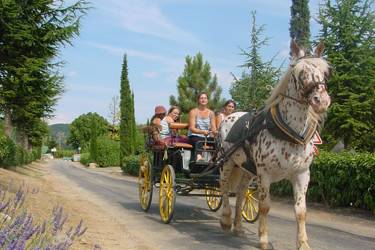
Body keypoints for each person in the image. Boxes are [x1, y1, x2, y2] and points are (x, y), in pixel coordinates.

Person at [188, 92, 217, 161]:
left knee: (217, 143)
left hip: (206, 137)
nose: (203, 100)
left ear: (207, 100)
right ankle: (199, 158)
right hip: (194, 136)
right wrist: (202, 132)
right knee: (199, 141)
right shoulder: (193, 112)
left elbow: (213, 128)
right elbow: (192, 128)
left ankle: (216, 160)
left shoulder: (211, 113)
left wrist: (216, 132)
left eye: (205, 98)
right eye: (201, 98)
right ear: (198, 100)